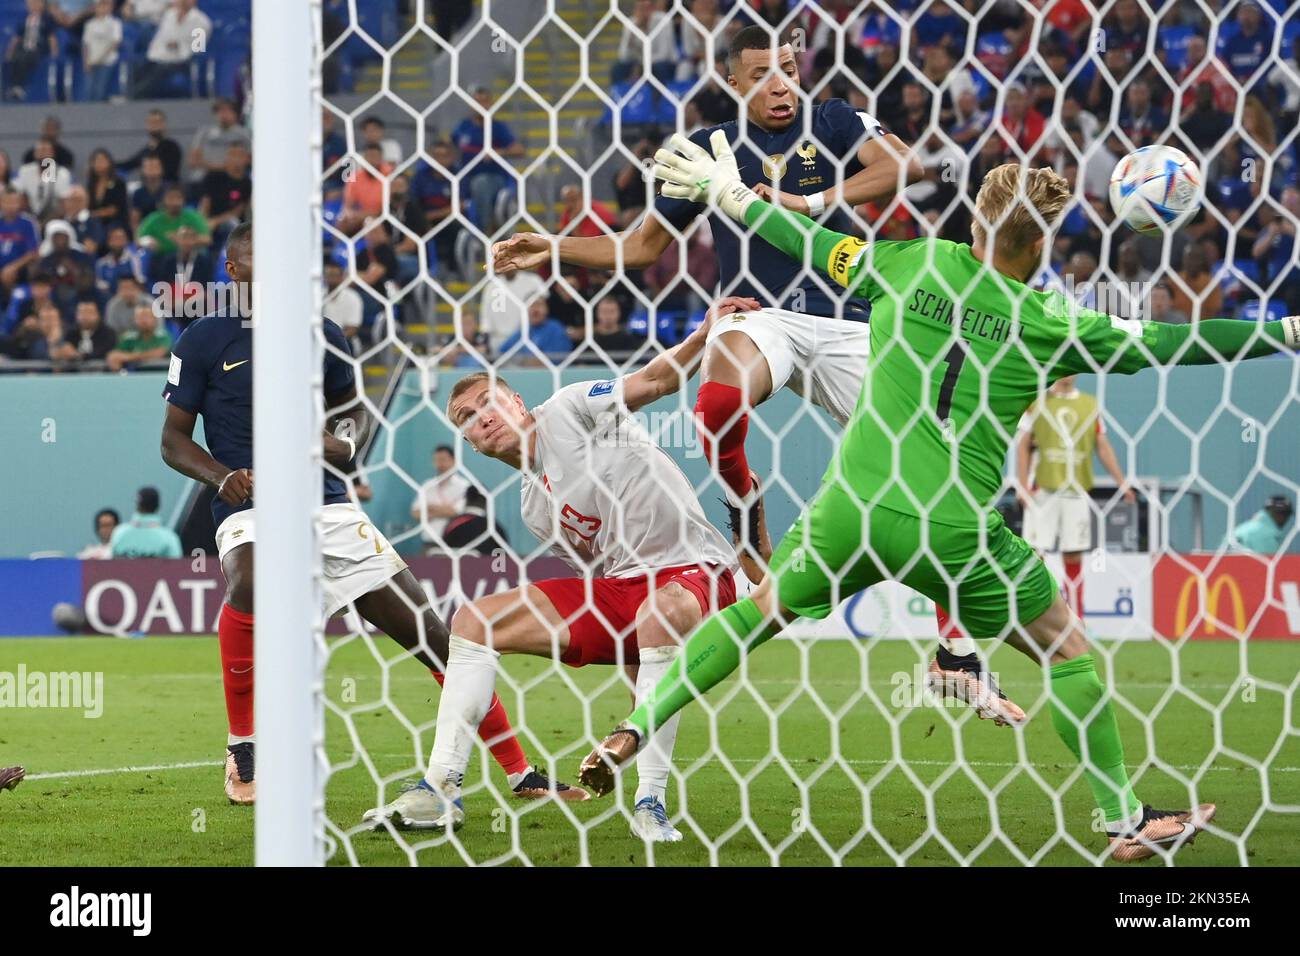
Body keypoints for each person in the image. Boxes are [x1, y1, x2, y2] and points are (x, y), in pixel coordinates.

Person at [580, 147, 1300, 861]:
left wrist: (724, 191)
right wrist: (1285, 331)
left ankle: (637, 725)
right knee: (1065, 646)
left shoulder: (907, 263)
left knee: (755, 612)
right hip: (951, 531)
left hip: (852, 510)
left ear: (976, 225)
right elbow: (1181, 342)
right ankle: (1123, 819)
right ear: (1041, 242)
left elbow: (797, 236)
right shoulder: (1056, 322)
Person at [160, 223, 576, 806]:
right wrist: (222, 477)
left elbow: (349, 428)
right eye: (259, 259)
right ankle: (243, 746)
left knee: (433, 636)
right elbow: (173, 442)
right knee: (251, 579)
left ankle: (519, 772)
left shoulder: (323, 336)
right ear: (233, 271)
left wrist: (327, 443)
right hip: (249, 503)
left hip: (326, 504)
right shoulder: (203, 340)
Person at [363, 297, 753, 840]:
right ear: (470, 443)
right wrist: (639, 678)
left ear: (517, 402)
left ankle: (650, 801)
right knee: (472, 622)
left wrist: (704, 333)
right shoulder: (534, 507)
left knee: (659, 616)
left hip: (694, 572)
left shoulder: (571, 408)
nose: (483, 418)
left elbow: (657, 381)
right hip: (624, 593)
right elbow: (607, 592)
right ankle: (440, 789)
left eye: (489, 402)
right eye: (468, 419)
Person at [1017, 375, 1135, 618]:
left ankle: (1075, 616)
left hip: (1076, 490)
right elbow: (1023, 444)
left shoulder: (1090, 404)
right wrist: (1021, 485)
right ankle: (1033, 615)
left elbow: (1102, 444)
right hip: (1042, 489)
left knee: (1073, 552)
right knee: (1035, 554)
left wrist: (1121, 482)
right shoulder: (1037, 402)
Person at [131, 0, 212, 98]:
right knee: (138, 66)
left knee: (158, 73)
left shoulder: (202, 22)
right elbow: (159, 39)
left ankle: (135, 96)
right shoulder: (169, 15)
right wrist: (154, 55)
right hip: (160, 58)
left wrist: (178, 45)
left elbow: (198, 50)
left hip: (183, 62)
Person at [409, 445, 470, 555]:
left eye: (443, 460)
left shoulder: (464, 486)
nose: (439, 464)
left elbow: (457, 512)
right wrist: (444, 510)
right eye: (436, 460)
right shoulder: (427, 485)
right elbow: (416, 513)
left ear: (454, 461)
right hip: (429, 544)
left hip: (456, 546)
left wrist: (429, 508)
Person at [3, 0, 58, 102]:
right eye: (30, 4)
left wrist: (54, 51)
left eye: (35, 3)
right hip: (23, 48)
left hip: (38, 50)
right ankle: (15, 86)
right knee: (15, 58)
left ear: (41, 5)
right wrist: (10, 51)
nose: (32, 6)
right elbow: (17, 37)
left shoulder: (46, 20)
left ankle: (20, 86)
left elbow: (51, 37)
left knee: (25, 57)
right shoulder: (25, 20)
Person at [137, 184, 211, 256]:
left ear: (184, 200)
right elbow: (139, 240)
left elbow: (207, 239)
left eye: (178, 198)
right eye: (171, 198)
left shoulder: (193, 216)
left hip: (187, 258)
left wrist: (186, 239)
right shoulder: (154, 218)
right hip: (160, 258)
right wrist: (147, 241)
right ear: (163, 200)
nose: (175, 202)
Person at [109, 487, 182, 558]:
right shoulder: (169, 538)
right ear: (158, 506)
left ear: (137, 505)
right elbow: (177, 568)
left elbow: (112, 565)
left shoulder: (119, 533)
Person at [497, 297, 572, 365]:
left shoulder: (555, 328)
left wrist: (523, 361)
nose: (535, 309)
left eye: (538, 305)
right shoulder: (523, 330)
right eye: (531, 305)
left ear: (547, 309)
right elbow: (500, 353)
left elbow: (555, 358)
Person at [120, 110, 184, 184]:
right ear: (147, 125)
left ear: (164, 124)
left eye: (157, 122)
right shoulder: (146, 150)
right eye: (151, 122)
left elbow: (170, 172)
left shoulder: (172, 147)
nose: (154, 125)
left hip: (168, 190)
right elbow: (129, 164)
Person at [441, 485, 508, 555]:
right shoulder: (495, 528)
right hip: (487, 565)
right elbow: (506, 560)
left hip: (457, 565)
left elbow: (441, 554)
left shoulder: (452, 525)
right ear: (487, 502)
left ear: (466, 500)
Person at [106, 303, 172, 371]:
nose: (144, 321)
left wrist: (127, 357)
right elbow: (115, 354)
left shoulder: (163, 335)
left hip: (159, 373)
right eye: (140, 317)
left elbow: (159, 353)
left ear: (154, 318)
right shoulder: (129, 337)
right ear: (135, 319)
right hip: (134, 375)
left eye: (147, 316)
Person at [82, 0, 123, 102]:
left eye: (104, 6)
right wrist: (86, 62)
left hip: (107, 62)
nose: (102, 9)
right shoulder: (89, 24)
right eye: (99, 6)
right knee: (88, 91)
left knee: (100, 90)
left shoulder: (115, 23)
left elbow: (116, 42)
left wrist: (101, 58)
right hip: (91, 62)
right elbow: (86, 44)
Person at [50, 298, 115, 362]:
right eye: (81, 312)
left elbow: (103, 354)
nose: (85, 317)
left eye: (89, 312)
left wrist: (77, 355)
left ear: (98, 315)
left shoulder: (108, 334)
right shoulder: (71, 333)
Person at [1228, 495, 1294, 554]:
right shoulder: (1266, 534)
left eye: (1286, 514)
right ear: (1269, 511)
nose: (1284, 518)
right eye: (1281, 513)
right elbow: (1269, 564)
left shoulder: (1242, 528)